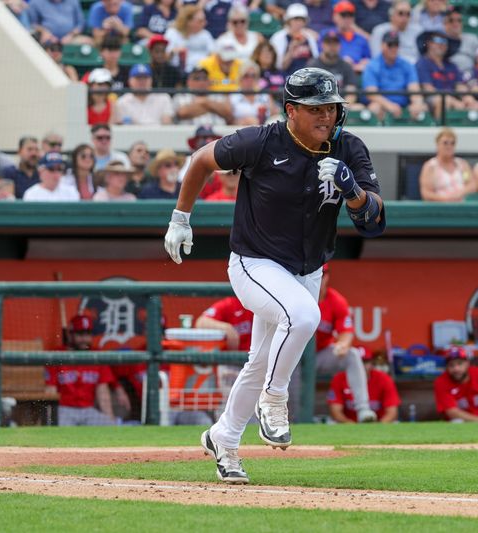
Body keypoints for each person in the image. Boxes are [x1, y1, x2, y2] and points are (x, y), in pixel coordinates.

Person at [164, 68, 385, 484]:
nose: (327, 116)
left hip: (308, 267)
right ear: (291, 111)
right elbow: (201, 160)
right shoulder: (261, 141)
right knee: (303, 318)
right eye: (316, 108)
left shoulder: (349, 147)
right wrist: (180, 218)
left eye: (332, 107)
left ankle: (224, 438)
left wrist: (351, 189)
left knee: (261, 358)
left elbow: (374, 220)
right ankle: (274, 398)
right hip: (255, 261)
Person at [302, 264, 378, 422]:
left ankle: (363, 409)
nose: (320, 279)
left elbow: (346, 332)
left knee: (352, 355)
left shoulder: (336, 300)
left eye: (323, 274)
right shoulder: (296, 296)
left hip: (319, 355)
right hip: (293, 357)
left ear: (327, 277)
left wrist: (343, 344)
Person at [44, 315, 119, 426]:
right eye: (80, 334)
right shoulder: (57, 355)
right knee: (60, 430)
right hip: (64, 409)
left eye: (88, 334)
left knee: (109, 426)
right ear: (70, 334)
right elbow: (50, 391)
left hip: (88, 410)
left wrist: (110, 418)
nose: (85, 339)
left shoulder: (96, 356)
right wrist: (49, 419)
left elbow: (103, 392)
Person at [362, 31, 427, 121]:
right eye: (390, 44)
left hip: (404, 104)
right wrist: (389, 105)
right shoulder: (372, 65)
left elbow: (414, 89)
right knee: (374, 108)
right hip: (382, 105)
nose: (393, 48)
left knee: (422, 107)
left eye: (396, 45)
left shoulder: (407, 65)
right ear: (382, 45)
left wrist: (417, 103)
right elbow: (371, 93)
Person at [327, 347, 399, 423]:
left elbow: (392, 412)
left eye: (365, 362)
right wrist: (351, 426)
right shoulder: (339, 378)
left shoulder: (384, 378)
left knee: (395, 423)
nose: (360, 366)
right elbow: (335, 411)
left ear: (371, 363)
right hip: (348, 425)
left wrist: (379, 427)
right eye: (358, 362)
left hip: (378, 424)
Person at [416, 31, 477, 118]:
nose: (441, 44)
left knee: (474, 104)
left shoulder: (451, 66)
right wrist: (451, 100)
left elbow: (460, 86)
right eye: (437, 40)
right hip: (430, 99)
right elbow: (428, 89)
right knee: (444, 101)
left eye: (445, 41)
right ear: (429, 43)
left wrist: (467, 97)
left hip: (453, 98)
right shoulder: (422, 63)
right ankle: (441, 130)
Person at [419, 128, 476, 202]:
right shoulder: (430, 167)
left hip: (462, 206)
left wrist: (460, 193)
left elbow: (472, 185)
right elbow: (426, 193)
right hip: (440, 207)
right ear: (437, 144)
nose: (449, 146)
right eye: (445, 143)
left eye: (452, 143)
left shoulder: (462, 164)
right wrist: (446, 199)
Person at [307, 31, 360, 106]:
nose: (332, 47)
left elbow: (351, 92)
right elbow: (309, 93)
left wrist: (342, 107)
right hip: (319, 105)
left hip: (342, 104)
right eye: (329, 44)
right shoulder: (313, 65)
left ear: (340, 46)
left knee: (359, 108)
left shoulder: (346, 65)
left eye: (335, 44)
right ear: (322, 45)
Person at [269, 3, 319, 76]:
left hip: (307, 78)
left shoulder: (309, 37)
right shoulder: (278, 37)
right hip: (285, 78)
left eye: (301, 19)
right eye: (295, 19)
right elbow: (278, 67)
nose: (298, 22)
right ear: (289, 21)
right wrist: (291, 50)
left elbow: (316, 63)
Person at [322, 1, 370, 73]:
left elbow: (367, 59)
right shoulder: (327, 35)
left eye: (350, 15)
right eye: (343, 15)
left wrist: (363, 64)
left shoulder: (361, 38)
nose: (347, 19)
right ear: (334, 16)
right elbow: (320, 57)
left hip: (356, 74)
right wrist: (342, 62)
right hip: (331, 72)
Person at [164, 5, 215, 75]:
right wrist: (174, 51)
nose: (205, 23)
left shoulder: (205, 34)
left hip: (202, 73)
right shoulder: (172, 33)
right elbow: (164, 57)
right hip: (177, 73)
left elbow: (214, 55)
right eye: (200, 21)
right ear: (188, 21)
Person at [369, 0, 422, 64]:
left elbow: (423, 56)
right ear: (391, 15)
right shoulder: (380, 31)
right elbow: (376, 56)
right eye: (401, 13)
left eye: (408, 14)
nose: (404, 17)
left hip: (414, 69)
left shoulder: (418, 31)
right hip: (390, 68)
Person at [229, 61, 279, 126]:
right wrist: (240, 121)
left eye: (253, 75)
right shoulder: (232, 96)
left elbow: (275, 114)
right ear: (240, 78)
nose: (250, 79)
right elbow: (228, 119)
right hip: (239, 131)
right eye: (246, 76)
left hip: (263, 131)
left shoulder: (264, 95)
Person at [443, 8, 478, 74]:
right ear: (444, 24)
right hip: (449, 76)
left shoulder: (472, 38)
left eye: (459, 20)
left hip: (471, 75)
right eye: (451, 20)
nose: (456, 23)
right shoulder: (441, 41)